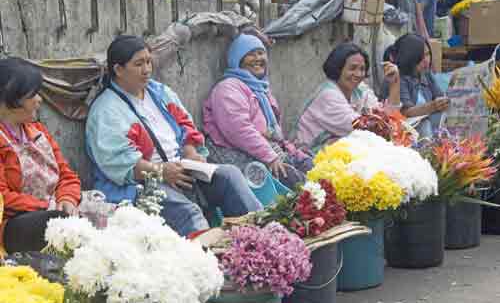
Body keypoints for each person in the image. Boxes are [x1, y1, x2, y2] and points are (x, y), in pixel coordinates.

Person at [86, 35, 262, 237]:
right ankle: (211, 262)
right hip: (140, 184)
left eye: (148, 62)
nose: (147, 70)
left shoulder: (159, 92)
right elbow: (120, 162)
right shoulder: (106, 111)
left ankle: (260, 240)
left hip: (181, 171)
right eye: (138, 64)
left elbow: (184, 126)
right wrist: (160, 171)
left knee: (229, 176)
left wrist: (191, 153)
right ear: (118, 70)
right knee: (189, 213)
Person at [203, 34, 312, 189]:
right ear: (237, 59)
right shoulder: (228, 88)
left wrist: (292, 151)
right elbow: (239, 130)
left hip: (271, 152)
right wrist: (271, 157)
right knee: (307, 189)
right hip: (245, 157)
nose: (258, 58)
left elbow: (274, 134)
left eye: (261, 53)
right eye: (250, 54)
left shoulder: (261, 88)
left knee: (318, 170)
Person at [0, 58, 81, 254]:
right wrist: (47, 206)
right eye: (33, 95)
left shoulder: (37, 130)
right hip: (16, 221)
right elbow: (3, 198)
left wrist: (67, 199)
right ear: (11, 99)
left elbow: (66, 175)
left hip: (54, 209)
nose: (39, 100)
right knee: (58, 226)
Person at [292, 42, 401, 153]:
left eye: (362, 69)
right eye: (352, 68)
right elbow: (365, 130)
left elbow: (388, 119)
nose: (358, 74)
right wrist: (390, 127)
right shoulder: (328, 96)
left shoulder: (360, 90)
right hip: (308, 156)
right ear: (338, 69)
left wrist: (394, 84)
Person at [390, 34, 449, 138]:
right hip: (408, 133)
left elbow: (439, 95)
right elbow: (405, 112)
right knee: (425, 124)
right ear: (409, 57)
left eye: (427, 54)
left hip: (431, 127)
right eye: (420, 57)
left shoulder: (425, 74)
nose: (426, 60)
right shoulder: (397, 77)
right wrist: (432, 106)